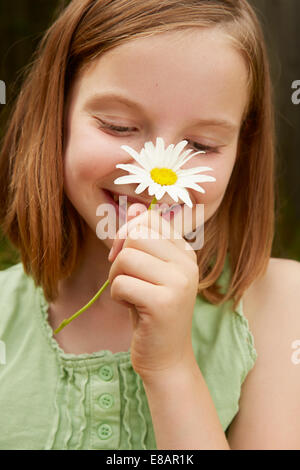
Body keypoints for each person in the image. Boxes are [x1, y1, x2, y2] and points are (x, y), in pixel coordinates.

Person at [0, 0, 299, 451]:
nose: (161, 170)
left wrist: (171, 367)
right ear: (56, 115)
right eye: (118, 127)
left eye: (200, 144)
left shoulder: (281, 307)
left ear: (243, 145)